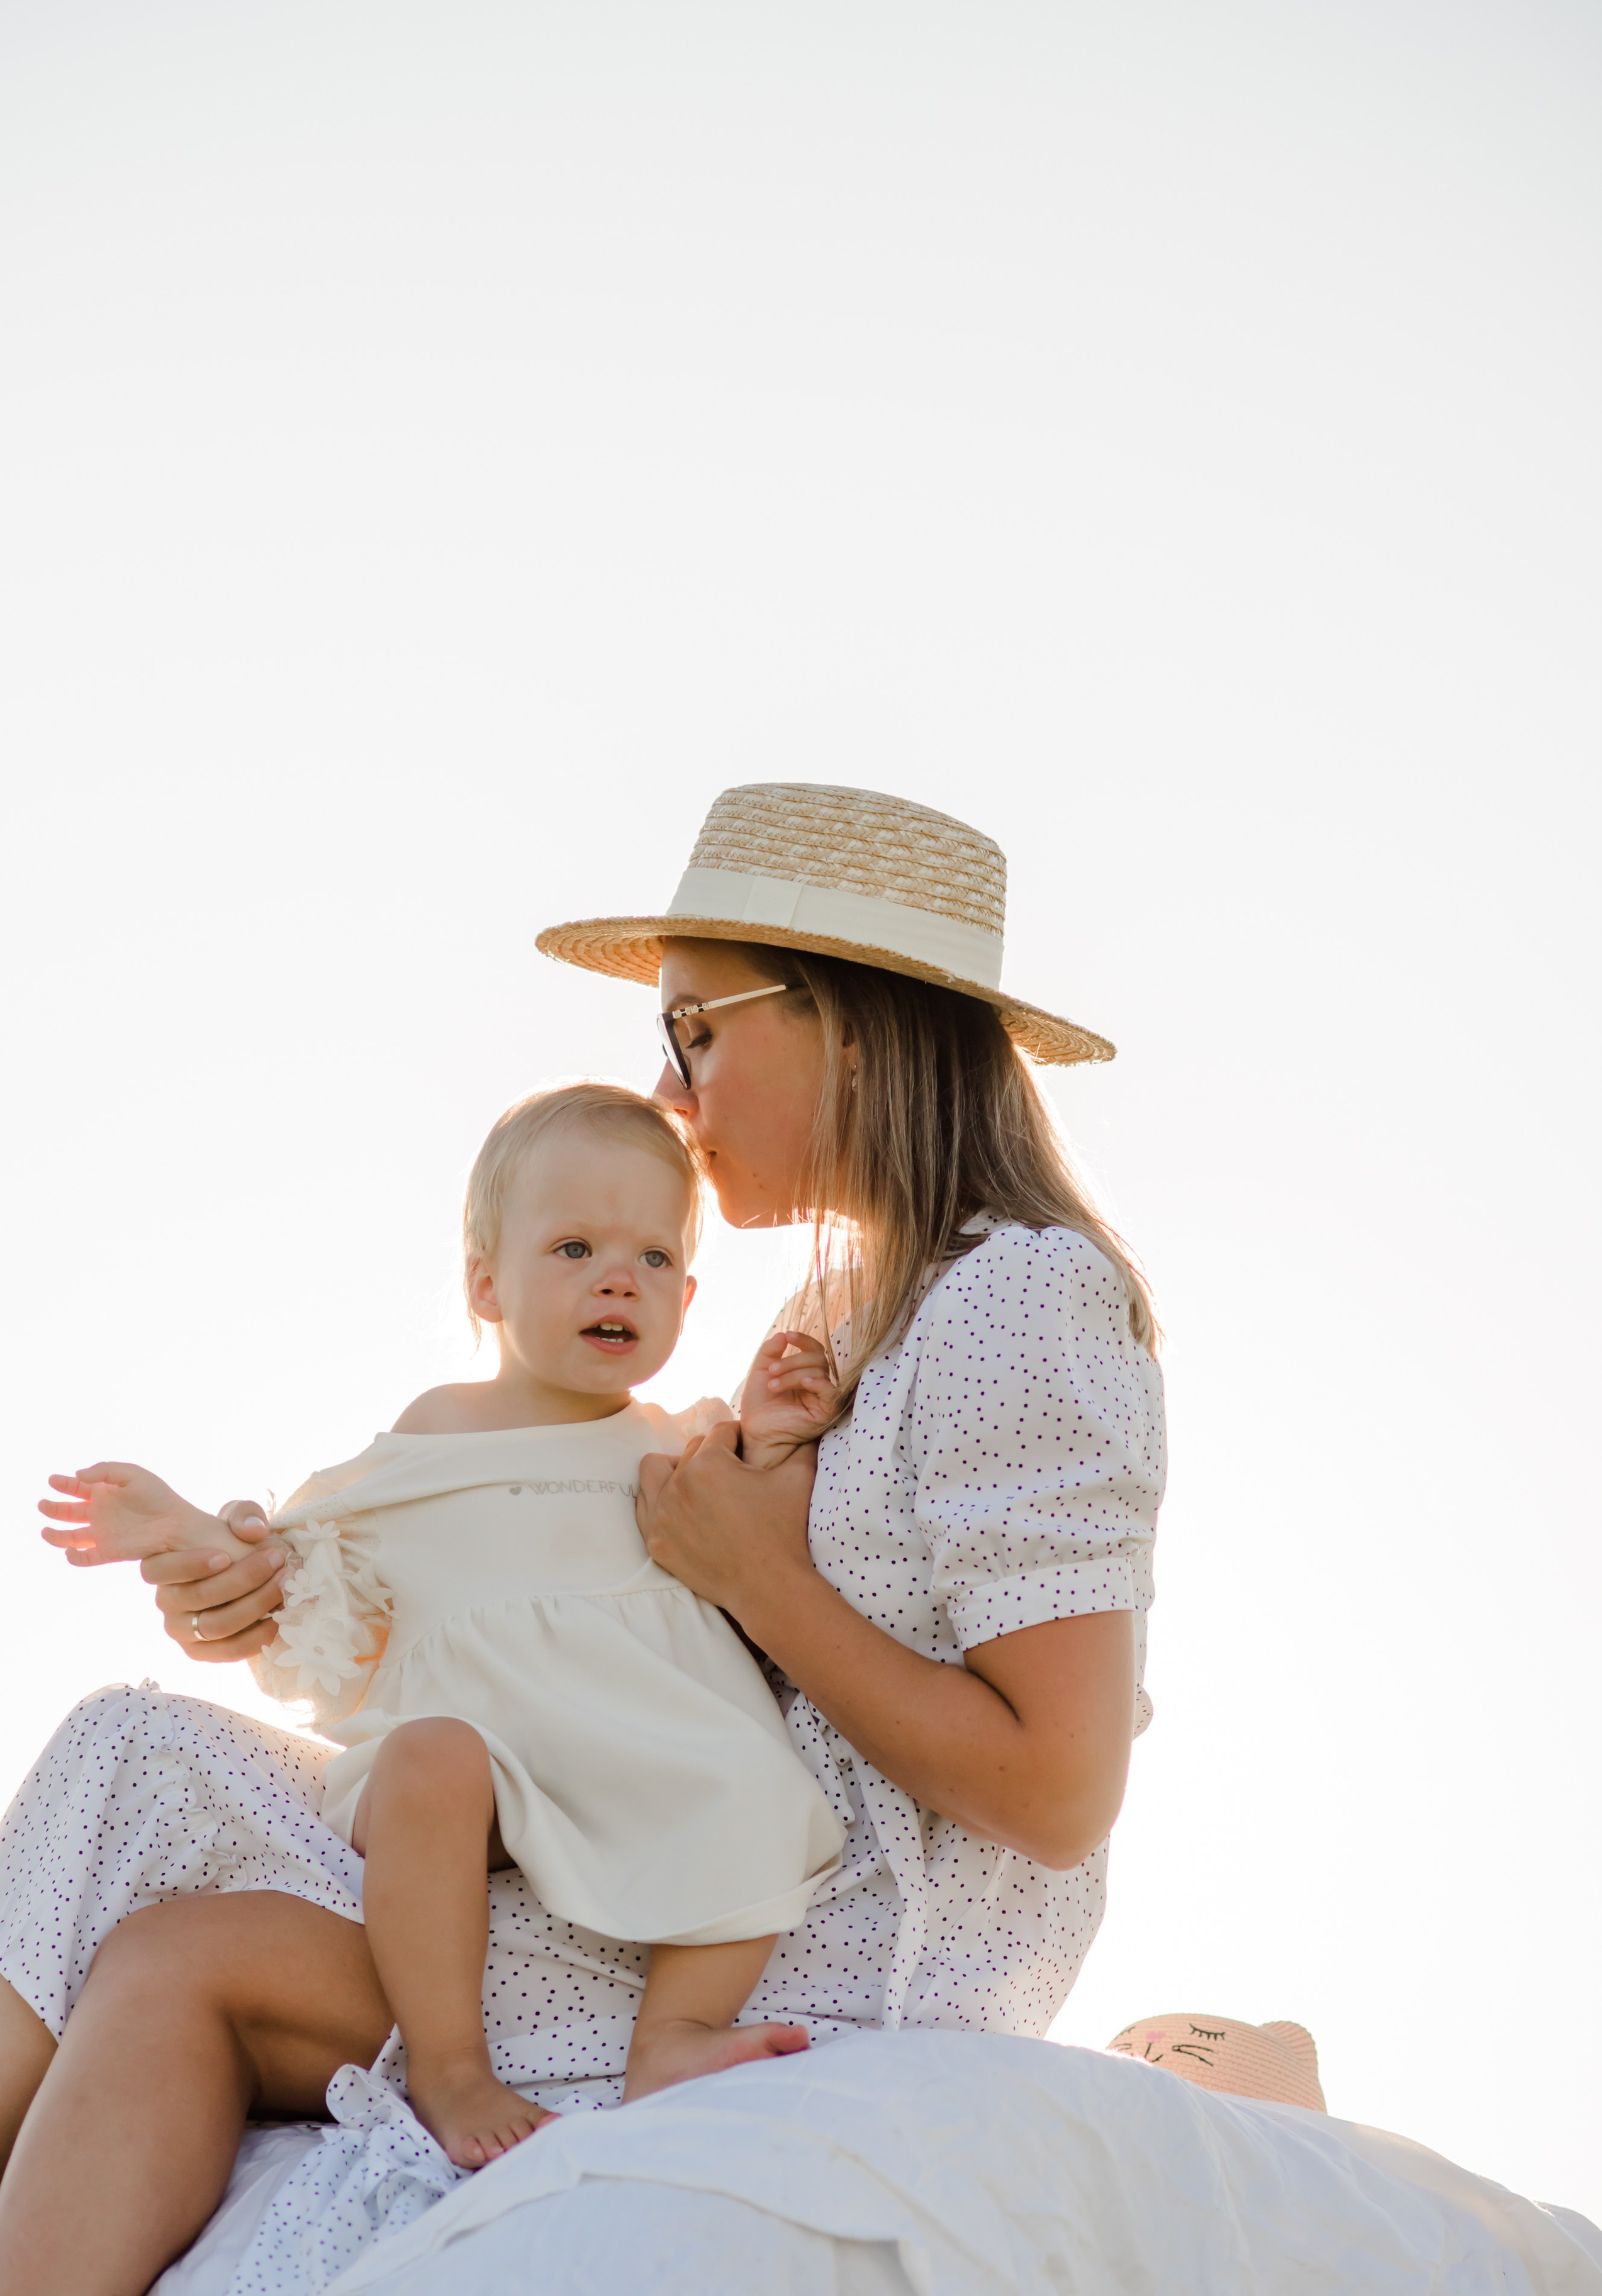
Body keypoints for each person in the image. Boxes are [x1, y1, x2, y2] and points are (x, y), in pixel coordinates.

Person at [0, 780, 1165, 2296]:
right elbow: (635, 1618)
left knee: (159, 1870)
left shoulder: (1021, 1291)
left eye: (697, 1028)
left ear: (856, 1026)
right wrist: (294, 1589)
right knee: (145, 1835)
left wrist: (753, 1569)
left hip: (802, 1933)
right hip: (642, 1844)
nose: (671, 1089)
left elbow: (1057, 1789)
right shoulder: (839, 1315)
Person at [35, 1082, 845, 2171]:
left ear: (689, 1300)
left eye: (653, 1260)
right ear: (485, 1284)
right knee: (433, 1758)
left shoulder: (671, 1444)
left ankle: (673, 2036)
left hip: (635, 1746)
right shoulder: (433, 1437)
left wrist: (776, 1428)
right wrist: (185, 1529)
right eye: (573, 1248)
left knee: (757, 1792)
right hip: (481, 1766)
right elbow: (299, 1568)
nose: (618, 1277)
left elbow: (754, 1508)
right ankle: (450, 2063)